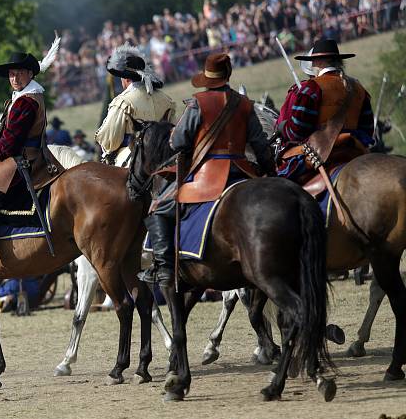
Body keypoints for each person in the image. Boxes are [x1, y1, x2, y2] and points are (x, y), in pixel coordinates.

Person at [140, 53, 275, 286]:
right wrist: (270, 171)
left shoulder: (197, 103)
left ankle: (163, 269)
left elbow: (177, 142)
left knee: (158, 207)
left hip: (209, 174)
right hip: (243, 171)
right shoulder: (244, 104)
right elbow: (260, 144)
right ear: (228, 74)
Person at [0, 49, 64, 278]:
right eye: (11, 74)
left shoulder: (27, 101)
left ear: (29, 74)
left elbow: (11, 142)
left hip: (22, 160)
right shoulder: (19, 98)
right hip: (17, 156)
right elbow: (10, 132)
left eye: (18, 74)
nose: (14, 78)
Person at [276, 39, 375, 182]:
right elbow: (368, 129)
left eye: (313, 61)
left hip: (323, 152)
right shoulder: (358, 88)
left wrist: (283, 127)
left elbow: (297, 132)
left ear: (319, 62)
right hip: (356, 149)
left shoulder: (311, 88)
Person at [94, 43, 176, 167]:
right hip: (166, 158)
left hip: (134, 162)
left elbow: (109, 141)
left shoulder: (123, 102)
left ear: (126, 79)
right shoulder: (166, 100)